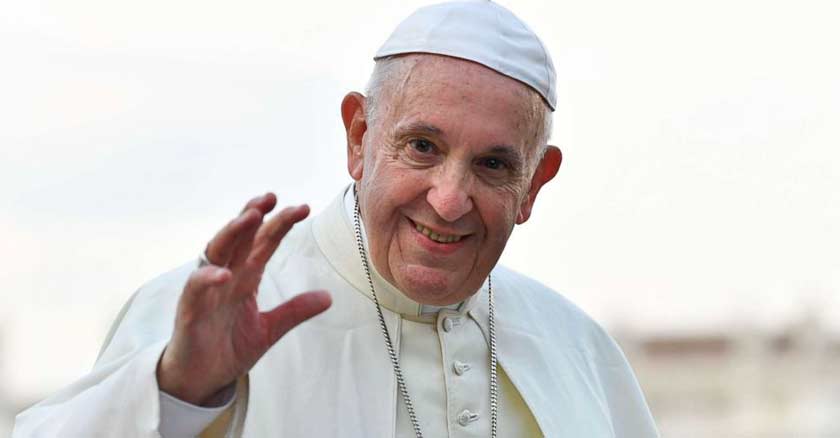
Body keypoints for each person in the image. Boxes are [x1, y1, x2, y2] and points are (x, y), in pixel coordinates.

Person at [14, 1, 658, 437]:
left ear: (534, 186)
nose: (449, 199)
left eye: (492, 165)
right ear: (359, 137)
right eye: (423, 147)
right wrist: (180, 390)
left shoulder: (580, 352)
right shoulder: (208, 318)